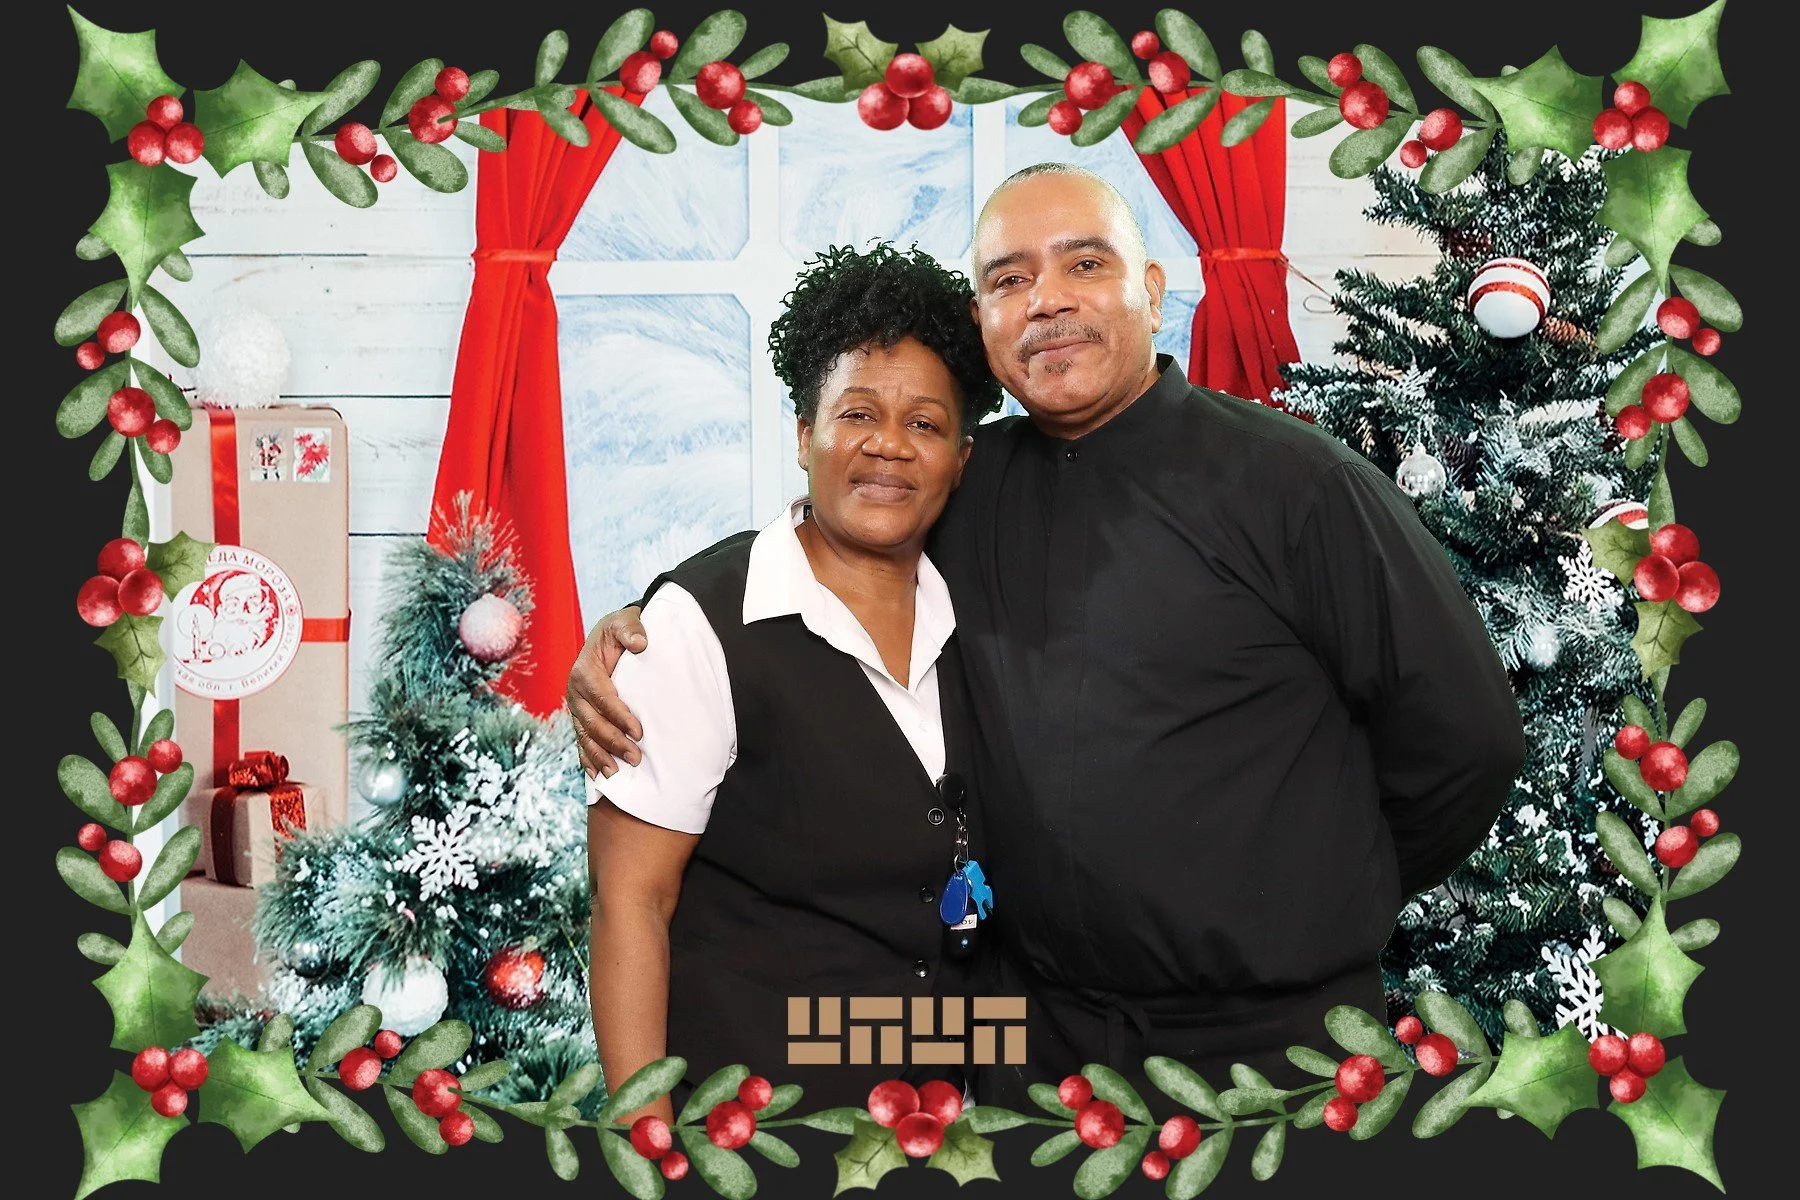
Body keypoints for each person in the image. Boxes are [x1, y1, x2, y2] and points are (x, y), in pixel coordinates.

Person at [574, 164, 1527, 1110]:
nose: (1048, 302)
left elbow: (1468, 743)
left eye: (1084, 264)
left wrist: (1323, 888)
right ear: (986, 325)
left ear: (1151, 293)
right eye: (1009, 279)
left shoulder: (1297, 484)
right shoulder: (967, 488)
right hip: (1033, 1047)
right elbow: (829, 528)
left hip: (1271, 1041)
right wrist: (647, 618)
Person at [585, 242, 1004, 1124]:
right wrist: (642, 1138)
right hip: (755, 1127)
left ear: (962, 458)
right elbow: (632, 901)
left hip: (949, 1118)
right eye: (857, 413)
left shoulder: (981, 606)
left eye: (925, 424)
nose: (888, 446)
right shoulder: (699, 623)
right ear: (804, 432)